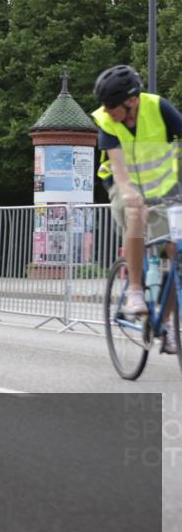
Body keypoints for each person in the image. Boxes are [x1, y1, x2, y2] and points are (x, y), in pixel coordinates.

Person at [92, 65, 182, 353]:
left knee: (175, 253)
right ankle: (134, 292)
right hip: (123, 185)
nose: (106, 111)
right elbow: (117, 165)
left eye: (111, 105)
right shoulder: (108, 121)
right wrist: (129, 192)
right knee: (135, 213)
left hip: (164, 186)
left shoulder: (159, 108)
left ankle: (165, 325)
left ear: (131, 101)